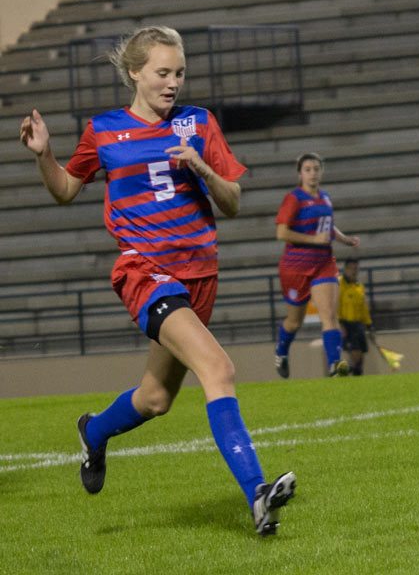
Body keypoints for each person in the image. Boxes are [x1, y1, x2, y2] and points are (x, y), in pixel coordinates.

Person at [18, 26, 295, 536]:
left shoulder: (199, 123)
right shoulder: (103, 131)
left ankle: (94, 432)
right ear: (135, 73)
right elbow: (63, 190)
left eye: (180, 73)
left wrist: (202, 170)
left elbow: (232, 203)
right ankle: (258, 493)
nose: (173, 83)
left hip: (200, 274)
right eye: (163, 73)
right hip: (145, 272)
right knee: (218, 368)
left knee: (155, 398)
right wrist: (43, 155)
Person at [273, 152, 360, 379]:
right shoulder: (294, 198)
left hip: (323, 263)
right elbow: (281, 233)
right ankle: (281, 350)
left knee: (329, 316)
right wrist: (313, 240)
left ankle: (335, 365)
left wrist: (346, 239)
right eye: (308, 169)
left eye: (316, 168)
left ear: (322, 171)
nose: (312, 173)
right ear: (300, 173)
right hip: (295, 267)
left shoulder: (325, 197)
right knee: (294, 322)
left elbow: (328, 227)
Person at [338, 258, 373, 375]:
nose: (354, 271)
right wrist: (339, 323)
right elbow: (335, 305)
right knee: (355, 354)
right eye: (351, 269)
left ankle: (356, 379)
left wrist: (368, 324)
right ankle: (341, 371)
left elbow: (364, 308)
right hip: (347, 324)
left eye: (356, 269)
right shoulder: (339, 284)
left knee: (361, 357)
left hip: (359, 325)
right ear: (345, 269)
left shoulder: (359, 286)